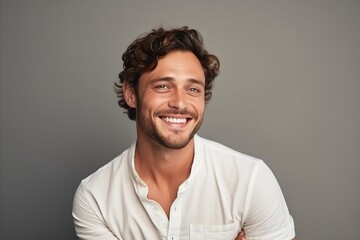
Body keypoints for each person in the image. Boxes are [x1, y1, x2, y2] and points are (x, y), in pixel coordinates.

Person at [72, 26, 296, 240]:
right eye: (162, 86)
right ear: (131, 93)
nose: (180, 103)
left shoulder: (250, 180)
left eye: (192, 89)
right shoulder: (94, 198)